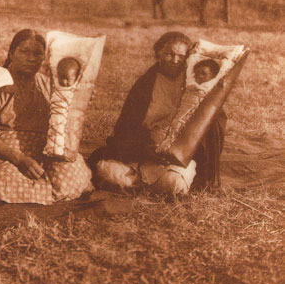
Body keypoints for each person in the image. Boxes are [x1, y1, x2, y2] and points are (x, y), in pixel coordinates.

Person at [87, 31, 226, 195]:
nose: (175, 61)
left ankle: (137, 181)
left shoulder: (195, 83)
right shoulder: (145, 85)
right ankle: (138, 178)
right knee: (103, 168)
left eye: (180, 56)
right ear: (158, 53)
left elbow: (212, 121)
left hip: (180, 154)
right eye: (169, 54)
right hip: (145, 149)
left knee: (175, 184)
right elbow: (126, 128)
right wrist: (145, 148)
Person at [0, 29, 92, 204]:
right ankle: (50, 194)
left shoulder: (48, 84)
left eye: (38, 54)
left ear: (44, 58)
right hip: (4, 155)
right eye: (24, 51)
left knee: (71, 173)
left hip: (43, 153)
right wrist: (18, 159)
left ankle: (42, 193)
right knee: (2, 180)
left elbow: (62, 121)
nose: (31, 58)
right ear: (11, 53)